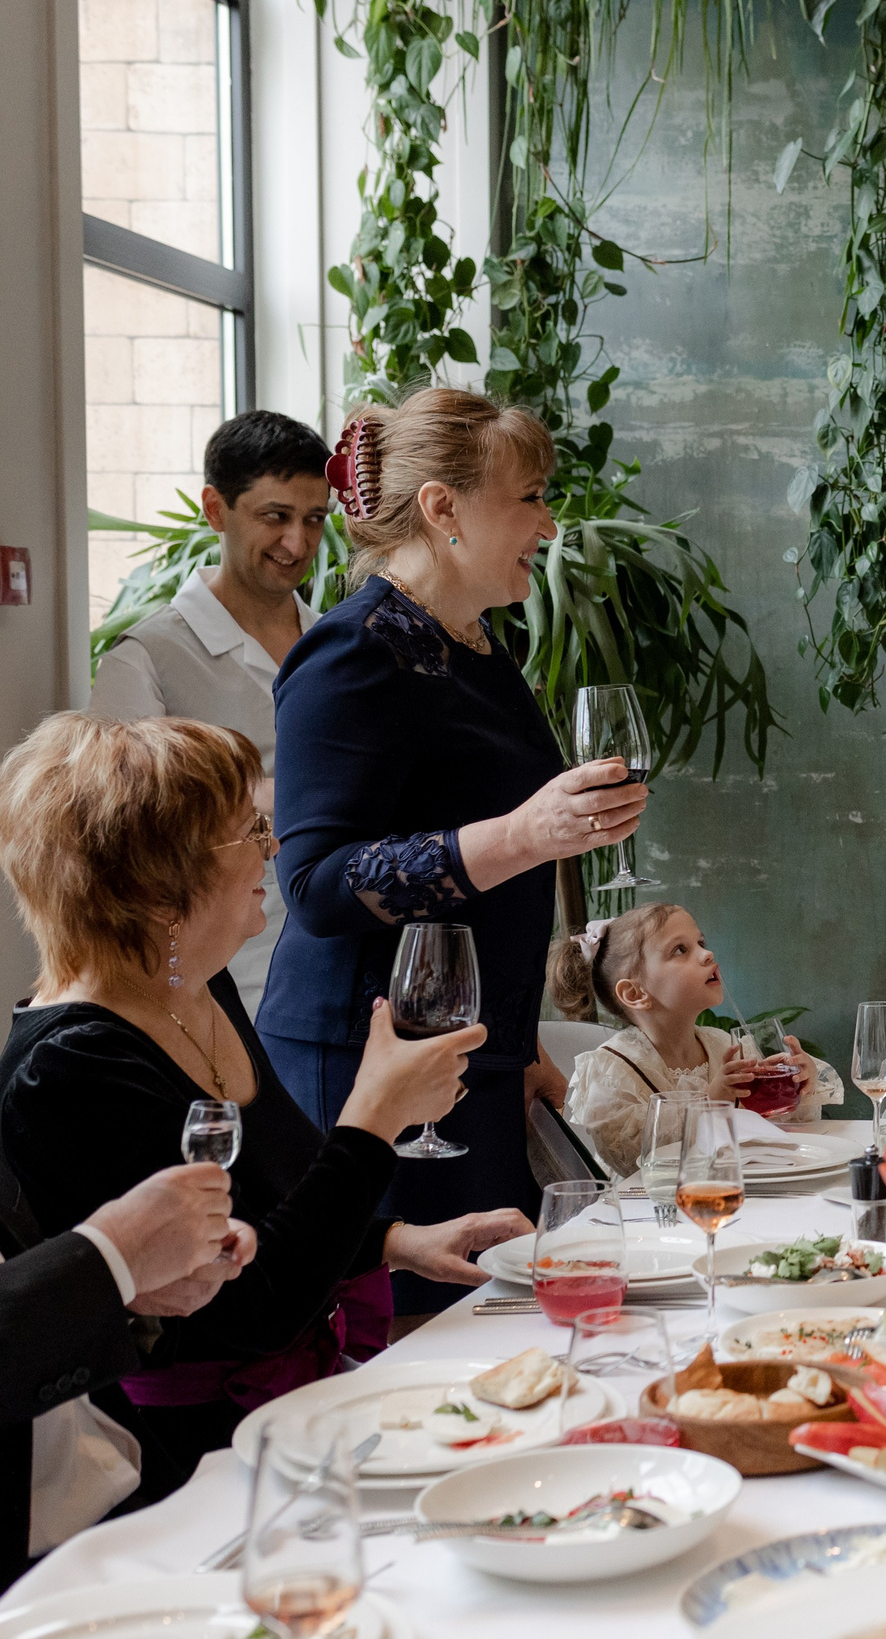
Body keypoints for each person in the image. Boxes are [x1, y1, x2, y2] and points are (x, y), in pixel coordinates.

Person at [0, 713, 508, 1499]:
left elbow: (279, 1206)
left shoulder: (198, 989)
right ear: (158, 887)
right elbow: (252, 1305)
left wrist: (398, 1240)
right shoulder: (69, 1069)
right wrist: (371, 1120)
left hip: (292, 1421)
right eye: (247, 831)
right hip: (184, 1468)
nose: (273, 847)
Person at [264, 388, 642, 1312]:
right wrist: (524, 834)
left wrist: (519, 1053)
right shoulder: (351, 653)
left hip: (472, 1059)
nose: (548, 526)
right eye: (529, 498)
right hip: (372, 1070)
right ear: (443, 509)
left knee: (491, 1328)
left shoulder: (472, 645)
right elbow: (314, 884)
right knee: (416, 1341)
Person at [0, 763, 258, 1621]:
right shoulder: (67, 1060)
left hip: (110, 1514)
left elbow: (9, 1288)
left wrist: (137, 1291)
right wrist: (110, 1257)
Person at [89, 411, 335, 1010]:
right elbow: (114, 829)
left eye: (314, 520)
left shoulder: (340, 647)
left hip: (340, 980)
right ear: (215, 509)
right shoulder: (145, 659)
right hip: (214, 992)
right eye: (275, 516)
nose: (296, 543)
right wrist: (275, 796)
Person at [554, 901, 843, 1174]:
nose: (707, 955)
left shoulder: (725, 1045)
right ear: (635, 994)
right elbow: (631, 1158)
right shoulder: (612, 1069)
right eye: (680, 950)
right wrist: (710, 1101)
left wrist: (800, 1085)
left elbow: (776, 1127)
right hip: (652, 1210)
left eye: (701, 943)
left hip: (736, 1191)